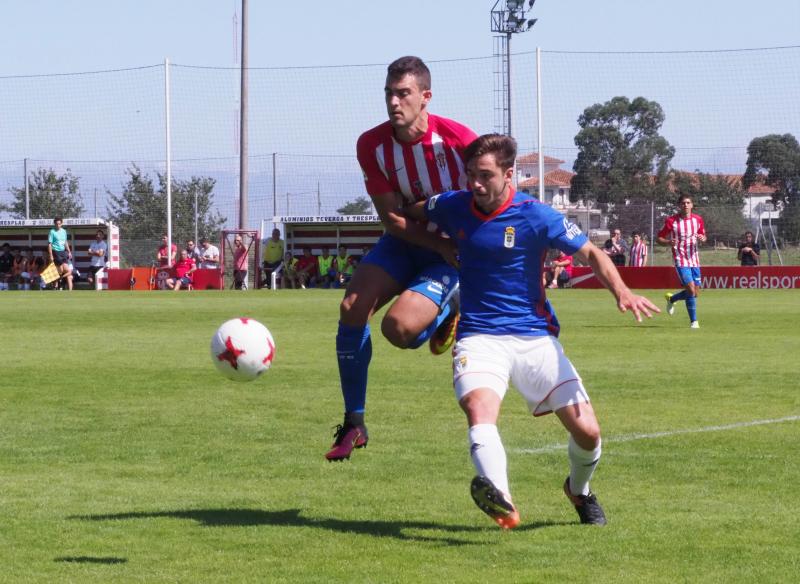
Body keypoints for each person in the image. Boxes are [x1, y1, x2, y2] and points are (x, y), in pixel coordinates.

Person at [406, 133, 659, 529]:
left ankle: (580, 490)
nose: (474, 183)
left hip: (534, 338)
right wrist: (433, 249)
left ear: (508, 175)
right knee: (478, 408)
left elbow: (591, 253)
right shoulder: (453, 205)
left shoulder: (536, 215)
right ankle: (503, 502)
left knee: (588, 432)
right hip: (479, 336)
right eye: (470, 174)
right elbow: (410, 212)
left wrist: (621, 290)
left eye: (484, 175)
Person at [326, 55, 478, 461]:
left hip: (448, 255)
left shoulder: (460, 142)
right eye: (389, 93)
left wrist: (462, 247)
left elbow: (491, 201)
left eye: (403, 93)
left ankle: (451, 308)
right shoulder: (371, 145)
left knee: (399, 330)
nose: (394, 102)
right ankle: (354, 423)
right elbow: (393, 218)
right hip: (404, 242)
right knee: (352, 307)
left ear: (425, 97)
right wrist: (433, 236)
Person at [658, 194, 706, 329]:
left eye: (688, 202)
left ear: (692, 205)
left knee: (695, 293)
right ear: (679, 205)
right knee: (690, 289)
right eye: (683, 203)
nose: (686, 205)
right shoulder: (671, 221)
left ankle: (672, 299)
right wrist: (668, 241)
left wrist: (702, 238)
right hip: (680, 259)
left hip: (694, 259)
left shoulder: (698, 220)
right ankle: (694, 322)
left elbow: (703, 235)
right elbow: (659, 238)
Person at [48, 217, 73, 291]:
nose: (58, 225)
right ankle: (56, 283)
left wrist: (69, 251)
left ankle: (58, 281)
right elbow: (49, 244)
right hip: (56, 252)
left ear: (61, 224)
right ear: (54, 224)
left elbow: (65, 242)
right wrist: (51, 255)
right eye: (56, 224)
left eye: (59, 224)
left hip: (63, 252)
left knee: (68, 271)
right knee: (62, 270)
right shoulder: (52, 231)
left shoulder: (64, 231)